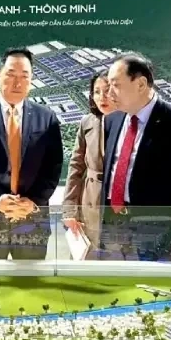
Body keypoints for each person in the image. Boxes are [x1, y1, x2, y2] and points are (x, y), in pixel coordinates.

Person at [99, 52, 171, 261]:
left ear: (141, 84)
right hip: (114, 226)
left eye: (116, 85)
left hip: (161, 230)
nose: (109, 93)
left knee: (158, 281)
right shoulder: (113, 120)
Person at [0, 48, 64, 260]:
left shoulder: (46, 117)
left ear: (31, 79)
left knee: (31, 279)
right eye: (11, 75)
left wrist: (33, 201)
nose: (17, 83)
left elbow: (53, 166)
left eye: (24, 76)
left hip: (32, 220)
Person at [62, 72, 115, 259]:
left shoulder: (131, 122)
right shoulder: (87, 122)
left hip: (118, 203)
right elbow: (76, 168)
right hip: (89, 201)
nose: (102, 97)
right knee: (86, 260)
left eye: (107, 91)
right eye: (96, 92)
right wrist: (69, 210)